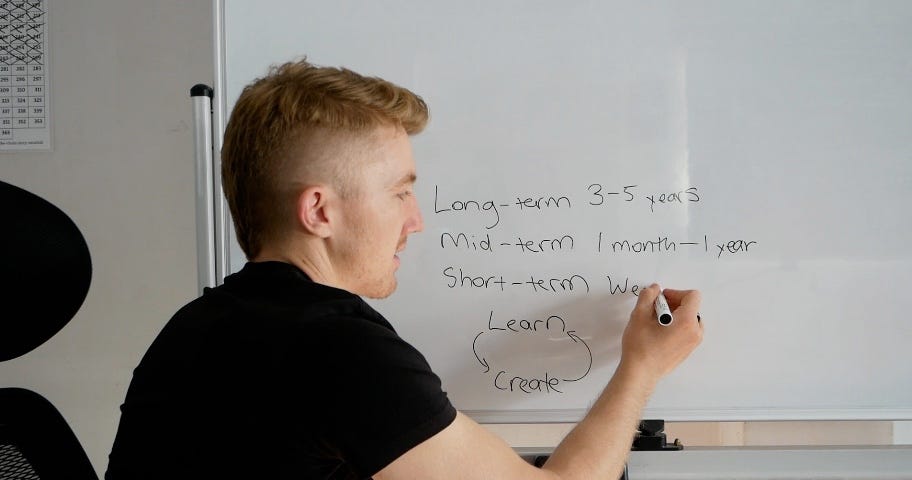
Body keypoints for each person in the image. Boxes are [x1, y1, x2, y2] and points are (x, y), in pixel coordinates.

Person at [105, 58, 703, 480]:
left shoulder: (196, 325)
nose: (415, 222)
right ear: (319, 210)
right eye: (398, 193)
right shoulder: (337, 347)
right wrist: (642, 367)